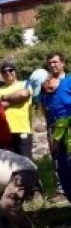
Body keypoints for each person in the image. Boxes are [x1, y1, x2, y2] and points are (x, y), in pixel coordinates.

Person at [41, 74, 71, 202]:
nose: (47, 92)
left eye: (48, 88)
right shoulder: (46, 96)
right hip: (59, 133)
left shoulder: (68, 82)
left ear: (49, 80)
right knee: (64, 173)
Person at [0, 62, 33, 158]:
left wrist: (4, 97)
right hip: (5, 132)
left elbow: (23, 94)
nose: (8, 73)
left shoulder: (25, 84)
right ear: (1, 74)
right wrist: (17, 100)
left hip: (23, 129)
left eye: (10, 70)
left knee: (26, 164)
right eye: (4, 71)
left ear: (15, 72)